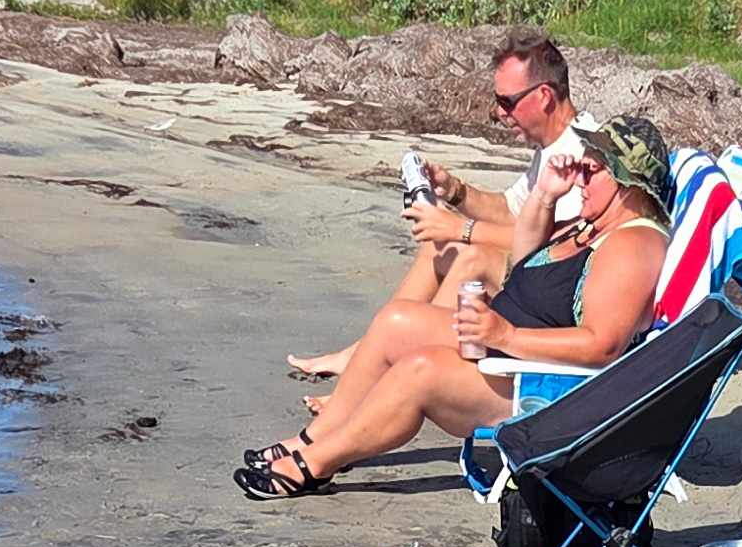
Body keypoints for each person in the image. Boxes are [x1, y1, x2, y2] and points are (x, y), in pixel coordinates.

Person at [236, 121, 676, 503]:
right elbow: (526, 263)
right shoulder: (594, 224)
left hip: (539, 389)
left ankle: (314, 463)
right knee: (397, 322)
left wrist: (504, 335)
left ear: (628, 183)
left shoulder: (633, 245)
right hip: (507, 354)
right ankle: (315, 438)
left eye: (592, 170)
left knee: (420, 370)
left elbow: (602, 345)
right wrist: (543, 196)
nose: (579, 178)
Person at [283, 29, 598, 386]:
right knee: (439, 247)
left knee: (470, 259)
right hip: (535, 268)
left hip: (553, 283)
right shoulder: (553, 146)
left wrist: (460, 229)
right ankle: (363, 353)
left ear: (544, 96)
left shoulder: (578, 154)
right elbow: (511, 211)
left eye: (507, 102)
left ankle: (388, 372)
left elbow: (547, 244)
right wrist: (455, 191)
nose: (499, 113)